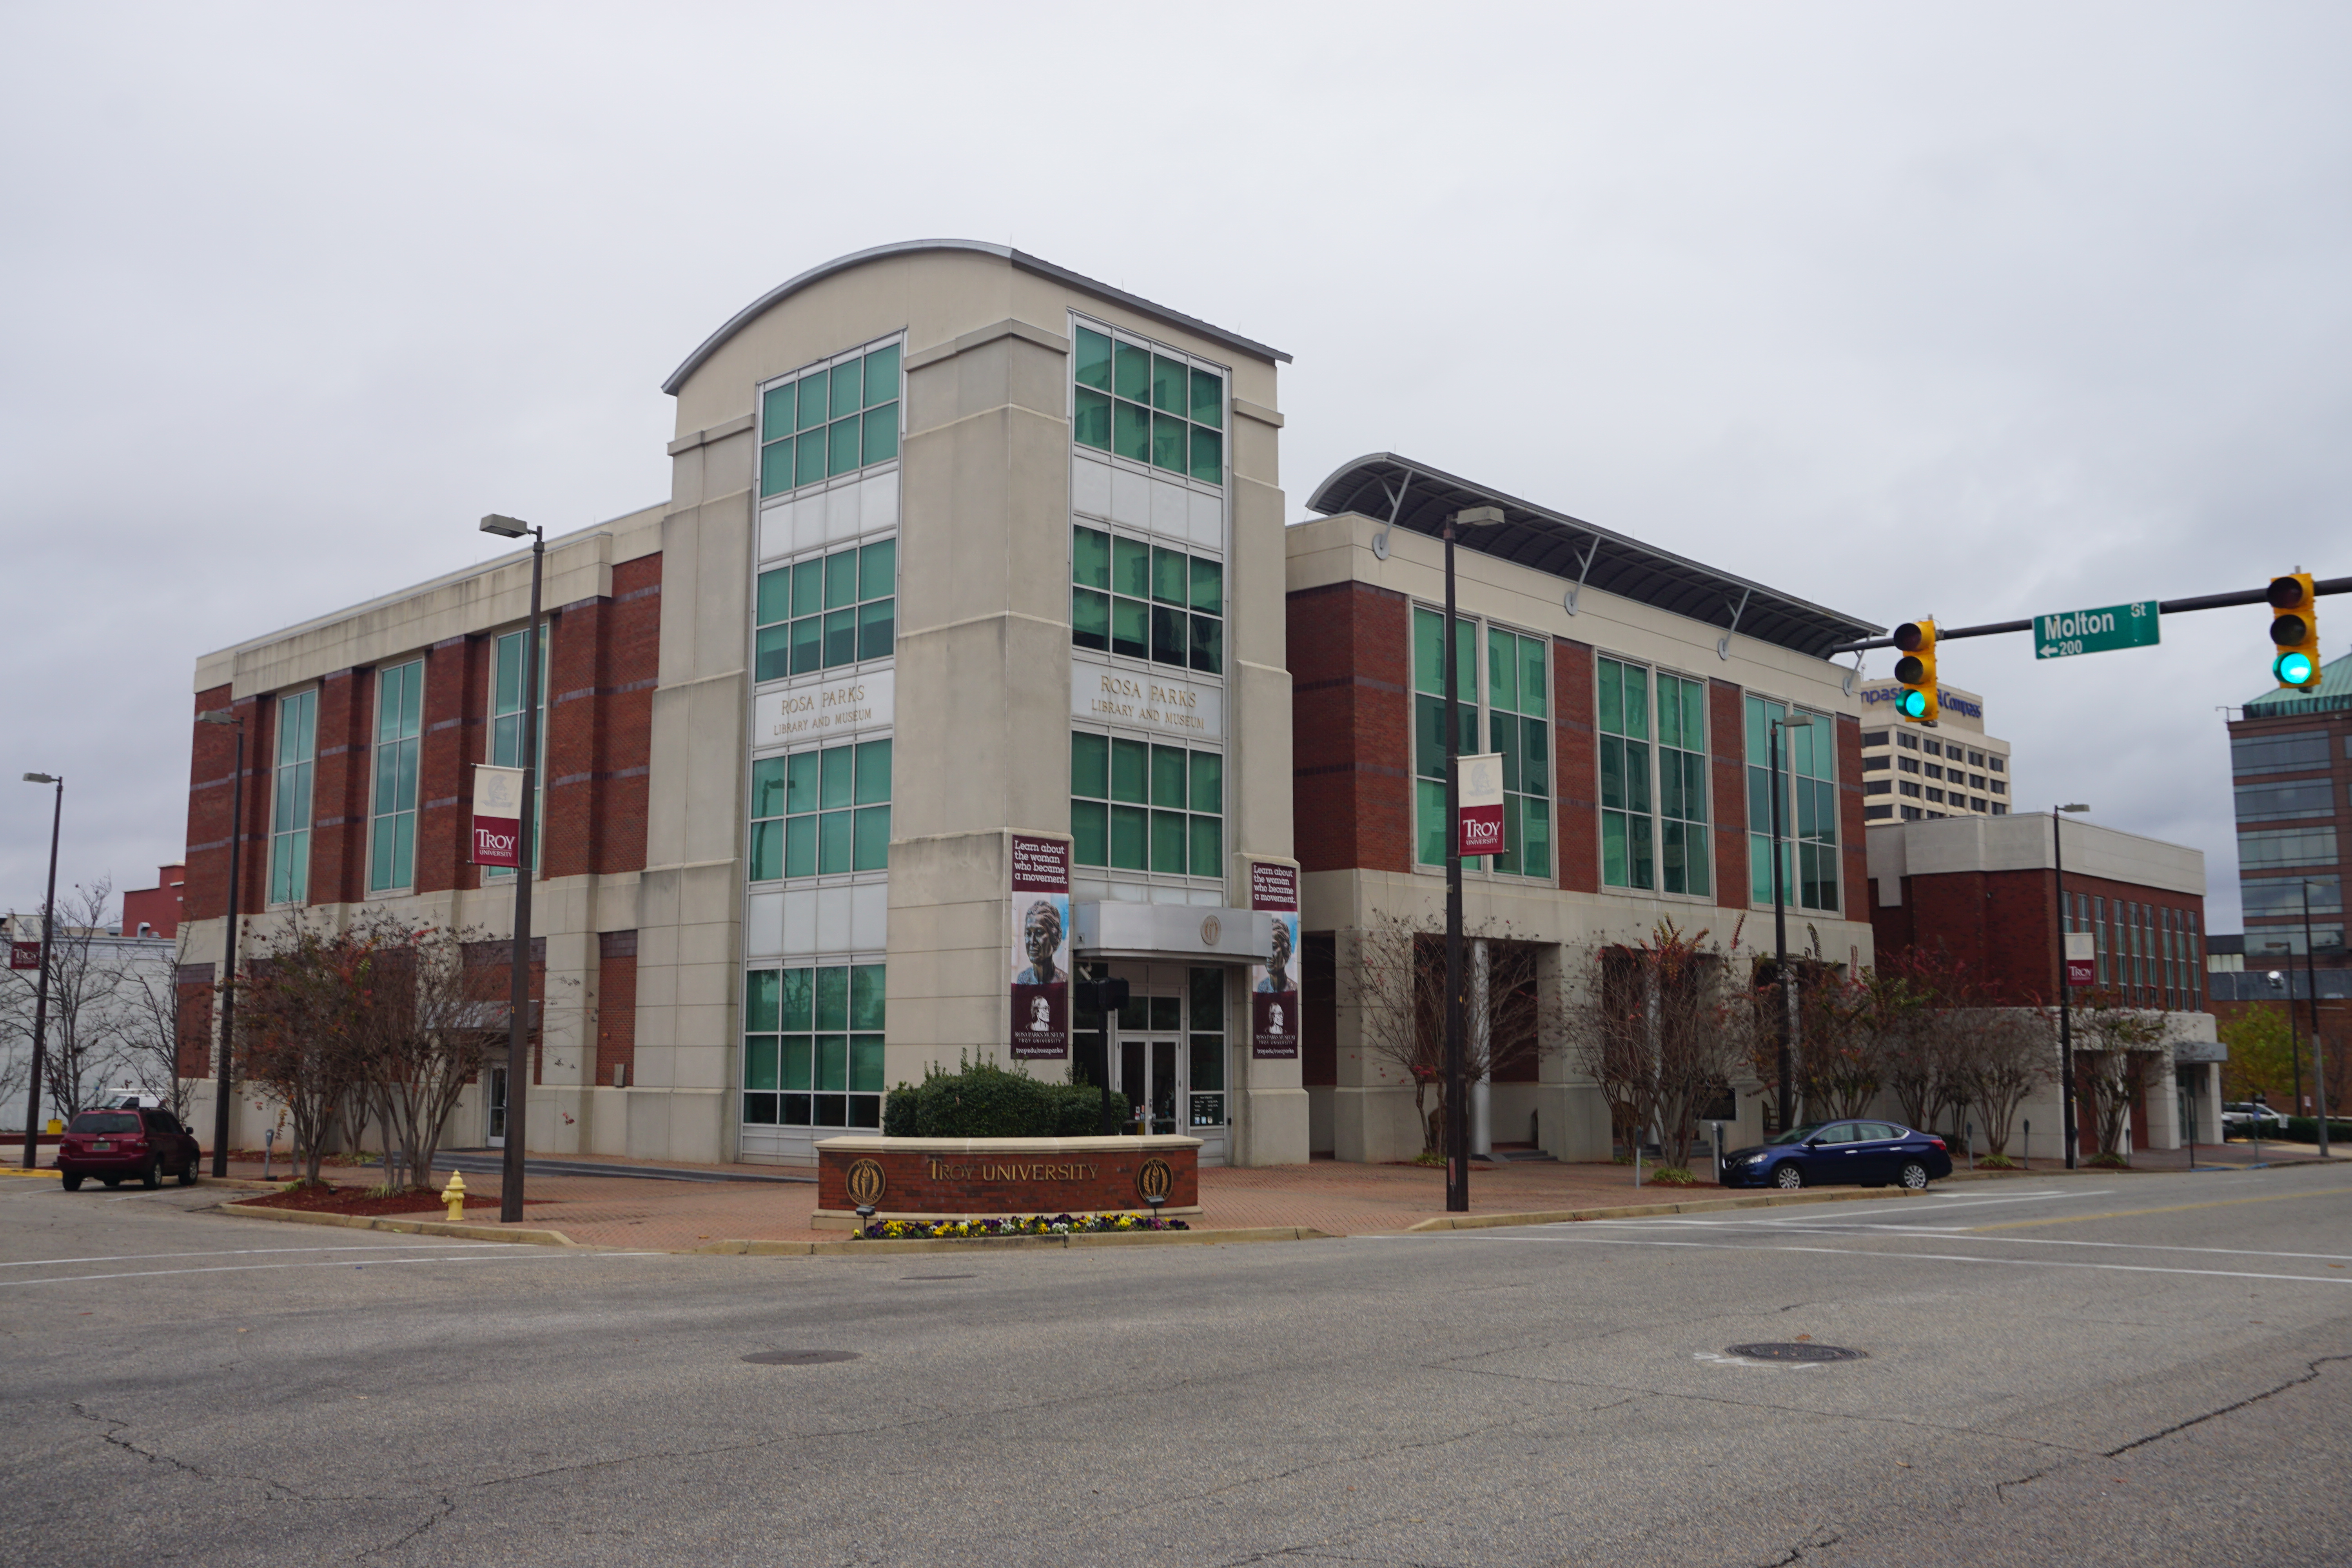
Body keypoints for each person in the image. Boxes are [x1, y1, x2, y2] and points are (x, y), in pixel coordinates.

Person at [1014, 899, 1064, 985]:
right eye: (1028, 934)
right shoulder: (1023, 980)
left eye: (1039, 933)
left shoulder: (1063, 981)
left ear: (1055, 937)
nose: (1032, 941)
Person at [1256, 918, 1295, 993]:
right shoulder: (1262, 988)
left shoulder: (1294, 989)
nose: (1268, 955)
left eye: (1274, 947)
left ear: (1285, 951)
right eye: (1265, 948)